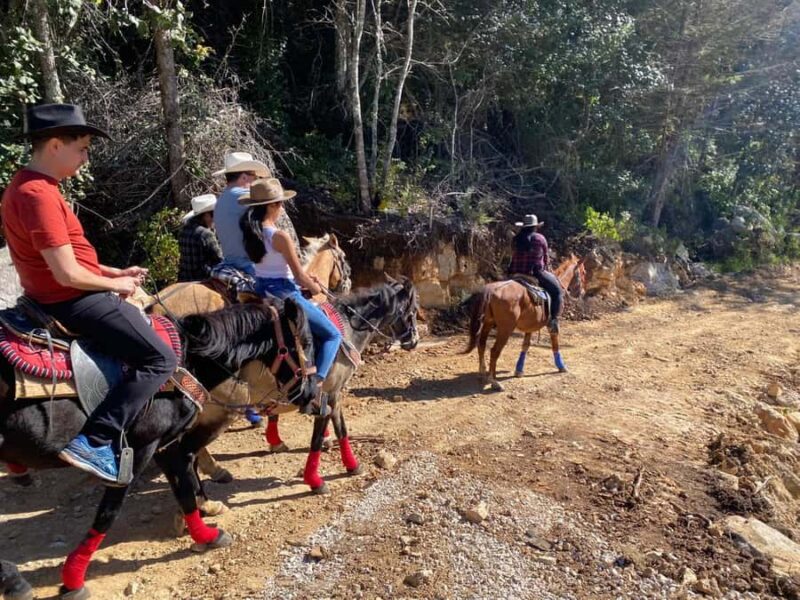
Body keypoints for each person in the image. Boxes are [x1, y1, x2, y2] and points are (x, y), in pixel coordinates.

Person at [0, 103, 177, 484]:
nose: (85, 158)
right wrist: (118, 285)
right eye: (81, 148)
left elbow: (58, 256)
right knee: (159, 358)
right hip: (72, 299)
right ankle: (95, 440)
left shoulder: (27, 185)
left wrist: (112, 270)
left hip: (60, 292)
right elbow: (66, 274)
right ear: (53, 146)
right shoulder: (39, 196)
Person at [239, 178, 341, 417]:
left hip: (261, 289)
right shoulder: (279, 236)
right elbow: (298, 275)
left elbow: (269, 270)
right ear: (272, 205)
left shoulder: (250, 233)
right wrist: (316, 288)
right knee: (332, 334)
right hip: (285, 293)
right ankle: (314, 391)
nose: (283, 207)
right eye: (281, 203)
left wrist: (305, 280)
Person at [508, 214, 563, 332]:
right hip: (535, 273)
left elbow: (512, 255)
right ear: (535, 227)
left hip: (514, 272)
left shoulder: (516, 239)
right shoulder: (540, 238)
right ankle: (553, 321)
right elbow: (546, 259)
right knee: (557, 291)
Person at [178, 193, 223, 282]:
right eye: (213, 214)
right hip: (203, 277)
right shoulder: (206, 234)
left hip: (184, 278)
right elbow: (220, 258)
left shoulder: (184, 230)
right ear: (205, 215)